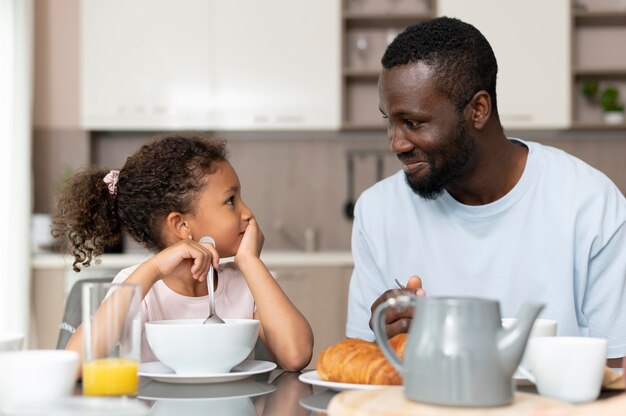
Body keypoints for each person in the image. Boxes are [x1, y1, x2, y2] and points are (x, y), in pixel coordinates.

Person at [346, 16, 626, 366]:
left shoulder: (590, 203)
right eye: (389, 121)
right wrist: (382, 340)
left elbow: (619, 370)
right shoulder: (378, 211)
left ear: (478, 110)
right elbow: (358, 368)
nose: (396, 143)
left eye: (413, 123)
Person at [53, 132, 313, 373]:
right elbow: (73, 365)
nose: (247, 213)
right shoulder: (140, 287)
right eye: (231, 201)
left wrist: (250, 262)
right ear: (181, 225)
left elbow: (296, 355)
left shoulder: (247, 283)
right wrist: (152, 269)